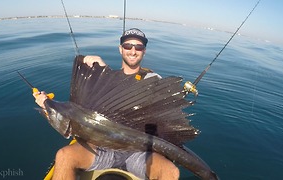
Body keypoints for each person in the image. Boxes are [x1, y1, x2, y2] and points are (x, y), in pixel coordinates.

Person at [34, 28, 180, 180]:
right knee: (64, 156)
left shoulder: (152, 79)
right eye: (128, 46)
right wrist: (47, 103)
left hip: (137, 151)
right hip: (101, 148)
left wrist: (104, 69)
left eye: (139, 47)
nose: (133, 51)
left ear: (144, 51)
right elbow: (75, 114)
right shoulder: (103, 82)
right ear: (120, 49)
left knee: (171, 172)